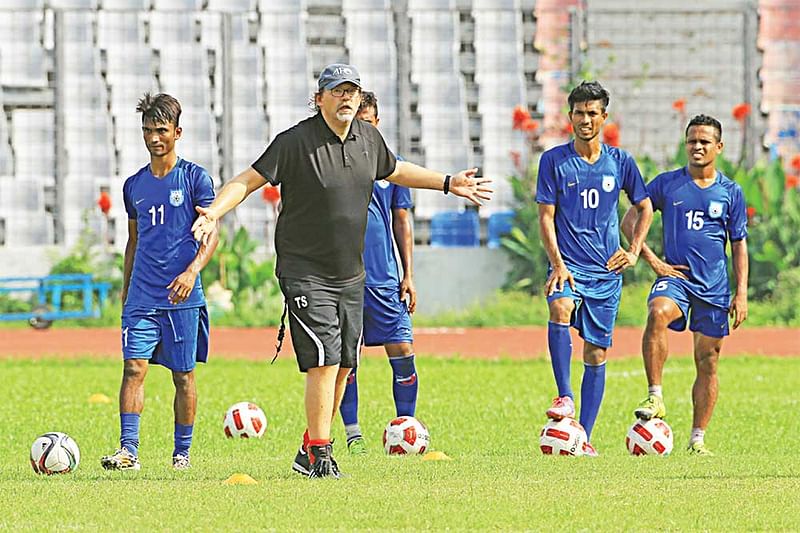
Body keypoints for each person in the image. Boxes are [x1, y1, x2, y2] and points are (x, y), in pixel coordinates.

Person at [191, 64, 491, 478]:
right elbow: (247, 180)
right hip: (304, 271)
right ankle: (319, 451)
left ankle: (308, 447)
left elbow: (396, 169)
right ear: (320, 99)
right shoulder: (296, 141)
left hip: (351, 273)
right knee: (325, 361)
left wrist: (447, 182)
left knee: (347, 364)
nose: (347, 97)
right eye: (338, 91)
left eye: (352, 91)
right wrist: (214, 213)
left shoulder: (369, 138)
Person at [101, 93, 218, 471]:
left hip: (183, 296)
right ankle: (128, 451)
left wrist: (192, 271)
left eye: (161, 130)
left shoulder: (196, 178)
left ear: (177, 132)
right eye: (148, 130)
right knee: (133, 367)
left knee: (183, 376)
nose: (154, 138)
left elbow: (212, 234)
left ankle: (181, 453)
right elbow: (134, 239)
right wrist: (126, 286)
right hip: (142, 295)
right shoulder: (134, 185)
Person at [536, 80, 653, 456]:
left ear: (604, 117)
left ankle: (582, 438)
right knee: (559, 305)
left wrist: (633, 251)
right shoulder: (553, 161)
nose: (585, 119)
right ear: (569, 116)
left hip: (606, 274)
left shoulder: (620, 162)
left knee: (596, 354)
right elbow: (546, 217)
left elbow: (645, 207)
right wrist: (557, 264)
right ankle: (565, 397)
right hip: (568, 268)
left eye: (592, 113)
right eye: (579, 113)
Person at [621, 114, 748, 455]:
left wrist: (742, 293)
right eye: (692, 140)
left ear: (718, 147)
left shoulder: (730, 192)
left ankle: (697, 440)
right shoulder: (666, 184)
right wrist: (651, 259)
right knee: (657, 311)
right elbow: (630, 219)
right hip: (676, 279)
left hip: (714, 288)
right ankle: (655, 395)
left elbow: (738, 244)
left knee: (708, 361)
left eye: (705, 141)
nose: (697, 146)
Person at [338, 91, 418, 456]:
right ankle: (353, 432)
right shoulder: (334, 164)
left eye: (368, 124)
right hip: (345, 280)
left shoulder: (393, 167)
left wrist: (408, 275)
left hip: (386, 279)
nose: (362, 131)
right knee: (346, 358)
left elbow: (402, 221)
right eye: (357, 124)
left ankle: (406, 425)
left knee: (402, 347)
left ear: (377, 123)